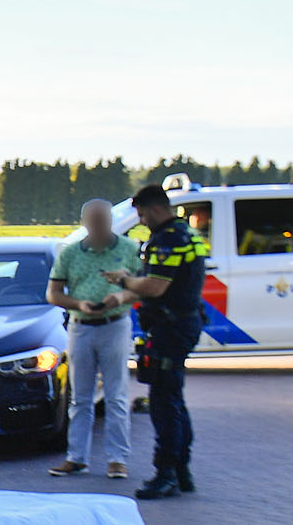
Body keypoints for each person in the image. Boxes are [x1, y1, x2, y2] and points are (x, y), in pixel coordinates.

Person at [100, 184, 210, 500]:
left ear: (155, 209)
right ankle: (181, 471)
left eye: (142, 214)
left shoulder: (168, 239)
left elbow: (155, 286)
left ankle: (166, 475)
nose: (142, 220)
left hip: (170, 328)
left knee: (164, 402)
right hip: (181, 324)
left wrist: (124, 278)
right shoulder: (187, 234)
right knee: (173, 397)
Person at [45, 199, 141, 480]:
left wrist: (121, 296)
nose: (100, 227)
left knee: (116, 395)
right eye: (94, 221)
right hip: (81, 326)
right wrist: (79, 304)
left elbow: (143, 287)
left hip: (115, 324)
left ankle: (117, 460)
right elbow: (53, 293)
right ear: (84, 222)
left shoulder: (128, 249)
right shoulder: (71, 253)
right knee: (81, 397)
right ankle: (76, 458)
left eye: (105, 221)